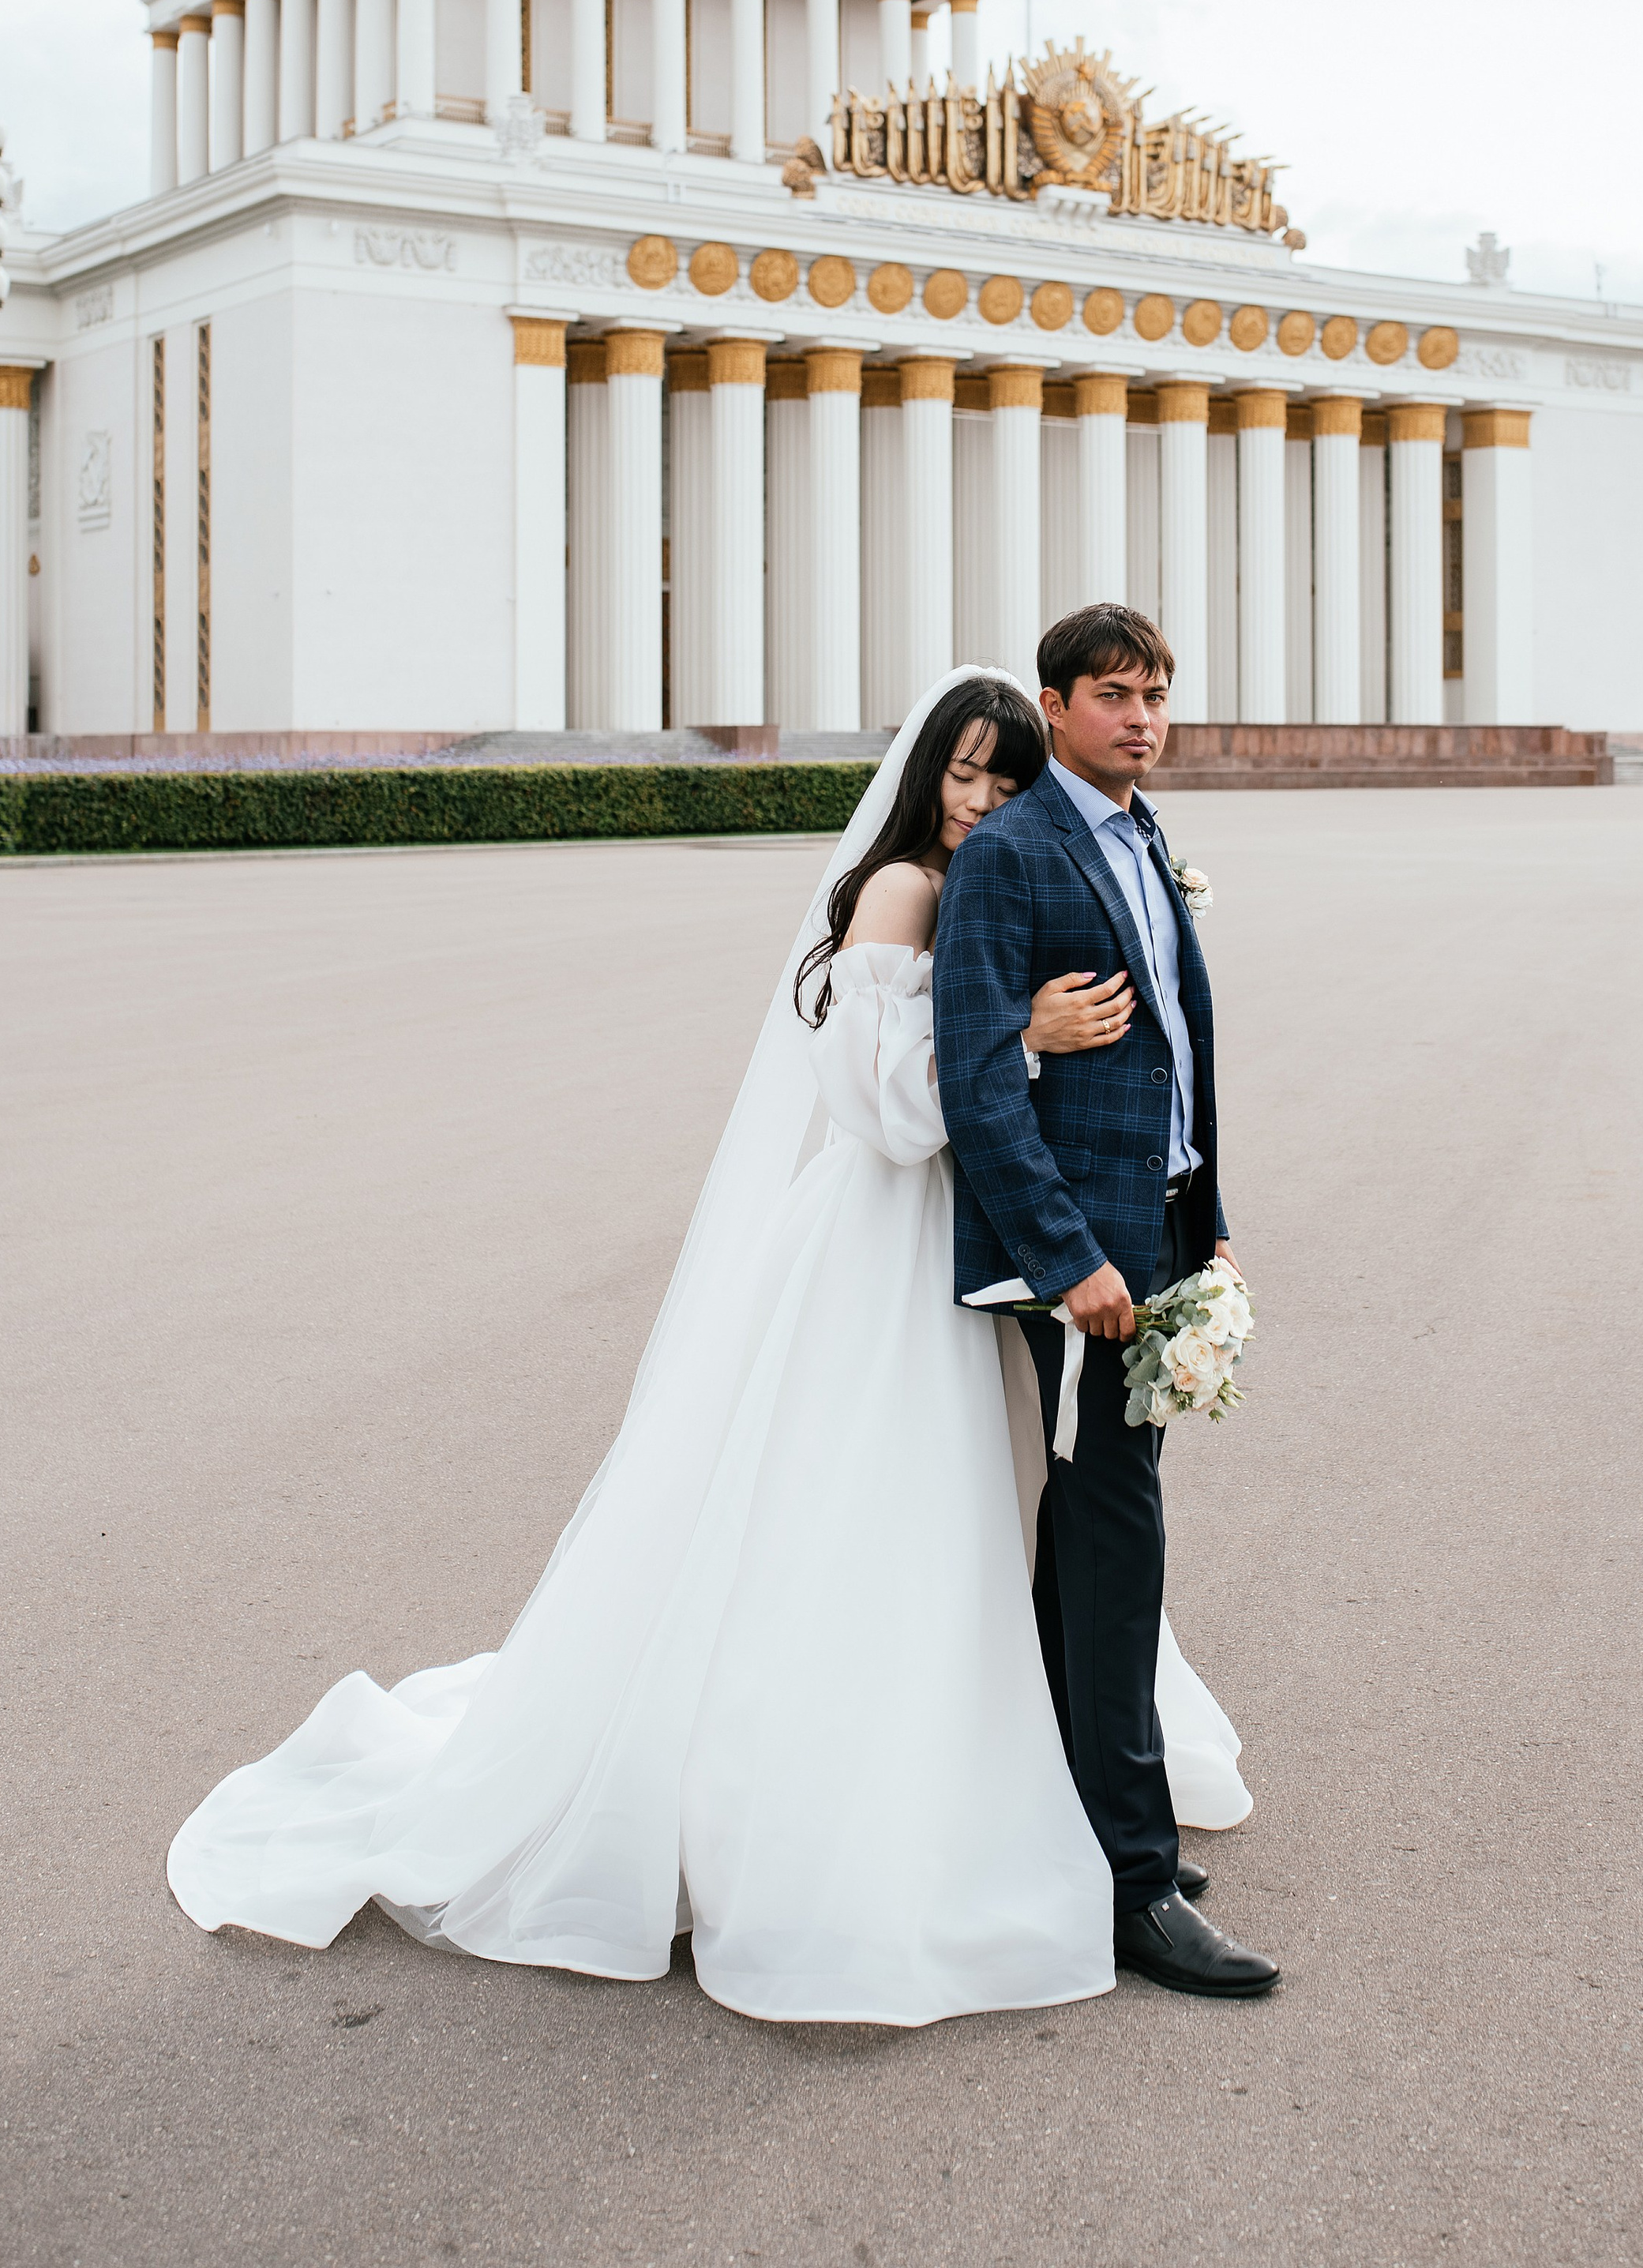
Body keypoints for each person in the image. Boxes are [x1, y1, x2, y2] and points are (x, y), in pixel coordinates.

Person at [167, 671, 1248, 2027]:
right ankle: (851, 1804)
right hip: (886, 1236)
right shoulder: (900, 893)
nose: (982, 802)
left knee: (1003, 1508)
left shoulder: (995, 880)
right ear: (924, 779)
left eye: (1005, 780)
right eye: (963, 776)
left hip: (976, 1243)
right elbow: (883, 1114)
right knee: (877, 1513)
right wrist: (1024, 1040)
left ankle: (1051, 1780)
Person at [935, 607, 1281, 1998]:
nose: (1140, 717)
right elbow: (975, 1079)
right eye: (1113, 695)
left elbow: (1175, 1064)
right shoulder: (1014, 856)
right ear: (1055, 704)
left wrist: (1212, 1234)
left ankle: (1086, 1823)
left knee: (1085, 1552)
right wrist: (1072, 1260)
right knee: (1114, 1548)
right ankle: (1135, 1887)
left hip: (1161, 1233)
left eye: (1155, 694)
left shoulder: (1144, 836)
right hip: (1080, 1263)